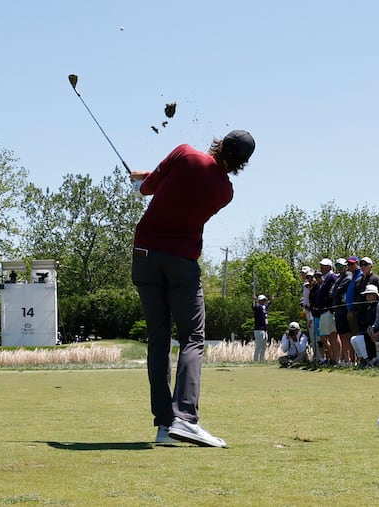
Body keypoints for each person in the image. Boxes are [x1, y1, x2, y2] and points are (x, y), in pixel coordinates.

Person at [130, 129, 255, 448]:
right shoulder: (226, 192)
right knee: (192, 336)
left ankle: (164, 426)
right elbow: (183, 187)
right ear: (242, 163)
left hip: (145, 255)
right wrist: (150, 179)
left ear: (221, 142)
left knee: (158, 338)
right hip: (181, 262)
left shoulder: (184, 152)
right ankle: (185, 418)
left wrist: (139, 181)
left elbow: (148, 188)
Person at [350, 284, 379, 366]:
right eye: (367, 294)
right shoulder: (368, 307)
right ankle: (363, 359)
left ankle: (370, 359)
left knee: (360, 338)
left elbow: (378, 321)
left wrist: (372, 328)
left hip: (377, 330)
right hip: (368, 330)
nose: (368, 296)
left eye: (370, 294)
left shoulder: (378, 306)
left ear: (375, 295)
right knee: (353, 339)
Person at [252, 294, 271, 362]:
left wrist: (271, 300)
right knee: (258, 347)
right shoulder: (258, 307)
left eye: (264, 300)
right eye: (262, 300)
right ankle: (256, 361)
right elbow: (254, 307)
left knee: (264, 347)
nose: (264, 301)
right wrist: (254, 300)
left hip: (265, 330)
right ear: (259, 301)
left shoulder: (264, 307)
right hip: (259, 329)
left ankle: (262, 360)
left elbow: (267, 305)